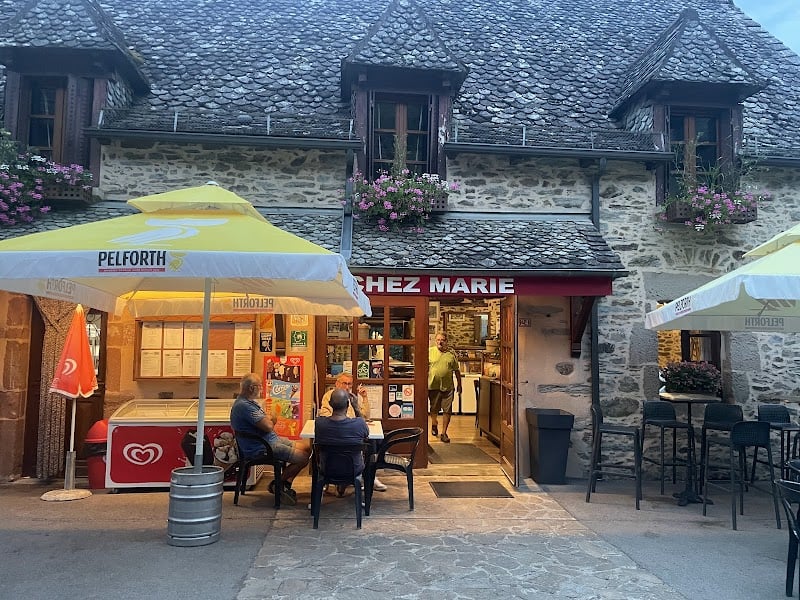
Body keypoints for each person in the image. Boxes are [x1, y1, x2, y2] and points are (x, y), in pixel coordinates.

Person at [230, 372, 311, 506]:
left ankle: (284, 484)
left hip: (271, 440)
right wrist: (271, 419)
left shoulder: (249, 403)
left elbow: (267, 420)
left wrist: (269, 419)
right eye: (260, 386)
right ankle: (277, 484)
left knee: (307, 448)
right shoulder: (244, 406)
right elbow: (268, 426)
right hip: (262, 447)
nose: (261, 388)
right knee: (303, 458)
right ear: (251, 388)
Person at [318, 372, 387, 491]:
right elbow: (326, 415)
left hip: (350, 432)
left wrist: (364, 398)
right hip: (338, 433)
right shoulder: (331, 396)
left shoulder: (352, 397)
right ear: (337, 383)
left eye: (350, 384)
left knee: (375, 442)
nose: (347, 386)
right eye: (344, 383)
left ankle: (371, 477)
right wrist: (350, 423)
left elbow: (365, 416)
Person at [314, 389, 370, 496]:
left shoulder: (319, 424)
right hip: (354, 469)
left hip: (326, 468)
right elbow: (366, 433)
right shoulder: (359, 424)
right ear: (349, 404)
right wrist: (356, 408)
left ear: (330, 404)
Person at [428, 332, 462, 443]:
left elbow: (456, 370)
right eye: (438, 340)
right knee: (433, 409)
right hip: (433, 386)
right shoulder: (430, 352)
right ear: (435, 341)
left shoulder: (451, 354)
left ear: (446, 341)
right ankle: (434, 423)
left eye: (442, 340)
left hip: (448, 387)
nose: (440, 342)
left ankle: (444, 433)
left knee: (447, 410)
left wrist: (459, 384)